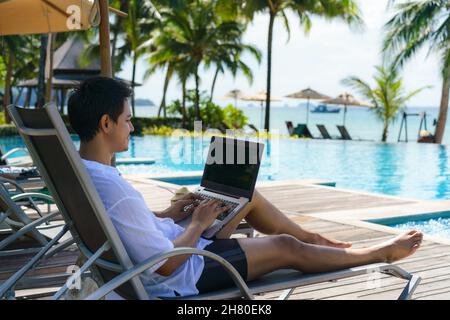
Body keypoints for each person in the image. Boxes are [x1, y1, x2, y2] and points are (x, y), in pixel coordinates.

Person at [68, 77, 423, 298]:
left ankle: (312, 240)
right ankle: (375, 254)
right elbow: (164, 267)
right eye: (128, 120)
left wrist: (170, 213)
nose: (132, 128)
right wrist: (197, 223)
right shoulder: (113, 187)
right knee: (285, 247)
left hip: (168, 249)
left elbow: (127, 227)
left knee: (244, 196)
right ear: (105, 122)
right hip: (183, 271)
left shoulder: (85, 172)